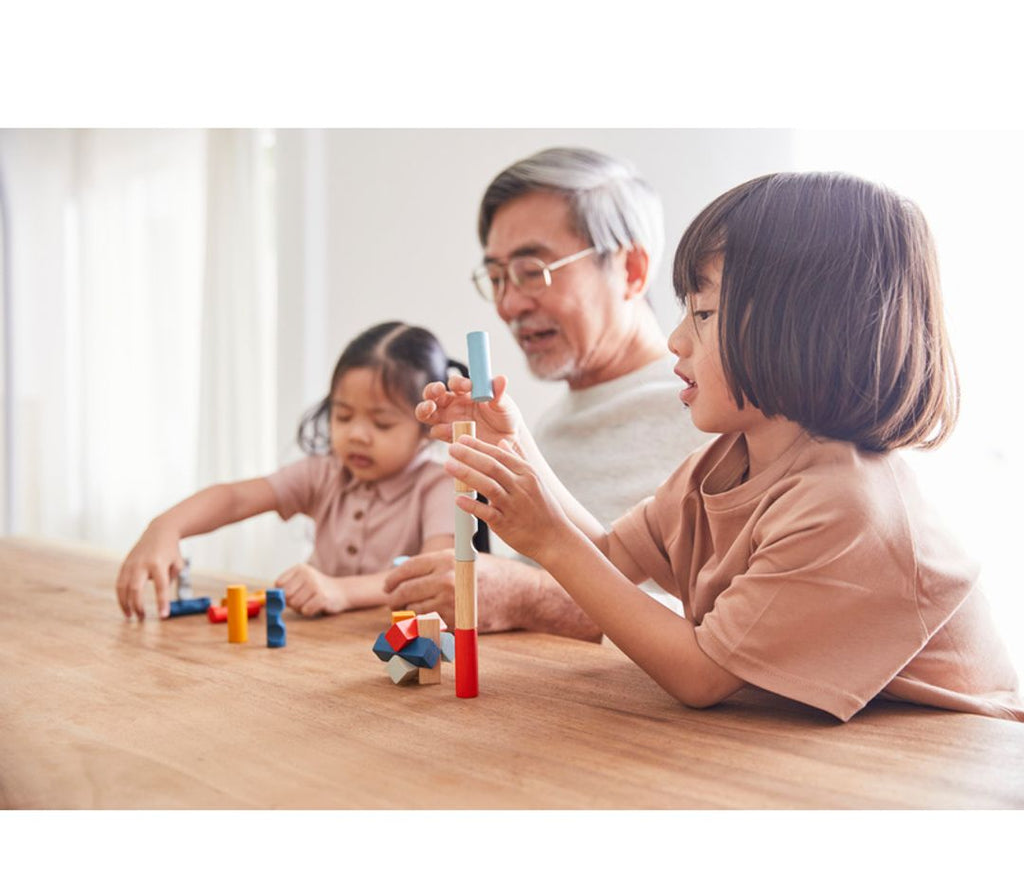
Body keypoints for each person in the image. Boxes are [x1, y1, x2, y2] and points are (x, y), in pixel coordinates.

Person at [424, 171, 1023, 722]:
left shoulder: (846, 502)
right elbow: (611, 557)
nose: (676, 340)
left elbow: (700, 675)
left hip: (956, 759)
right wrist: (515, 443)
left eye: (705, 313)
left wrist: (549, 539)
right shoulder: (724, 460)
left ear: (805, 330)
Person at [384, 147, 705, 639]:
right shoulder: (548, 427)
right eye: (495, 278)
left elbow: (737, 627)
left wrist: (529, 598)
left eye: (532, 271)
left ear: (632, 269)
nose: (509, 304)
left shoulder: (708, 411)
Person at [116, 321, 460, 621]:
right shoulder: (324, 472)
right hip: (314, 653)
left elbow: (433, 573)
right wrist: (167, 526)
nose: (356, 434)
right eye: (342, 416)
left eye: (381, 423)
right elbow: (236, 498)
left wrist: (340, 591)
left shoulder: (439, 486)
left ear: (426, 427)